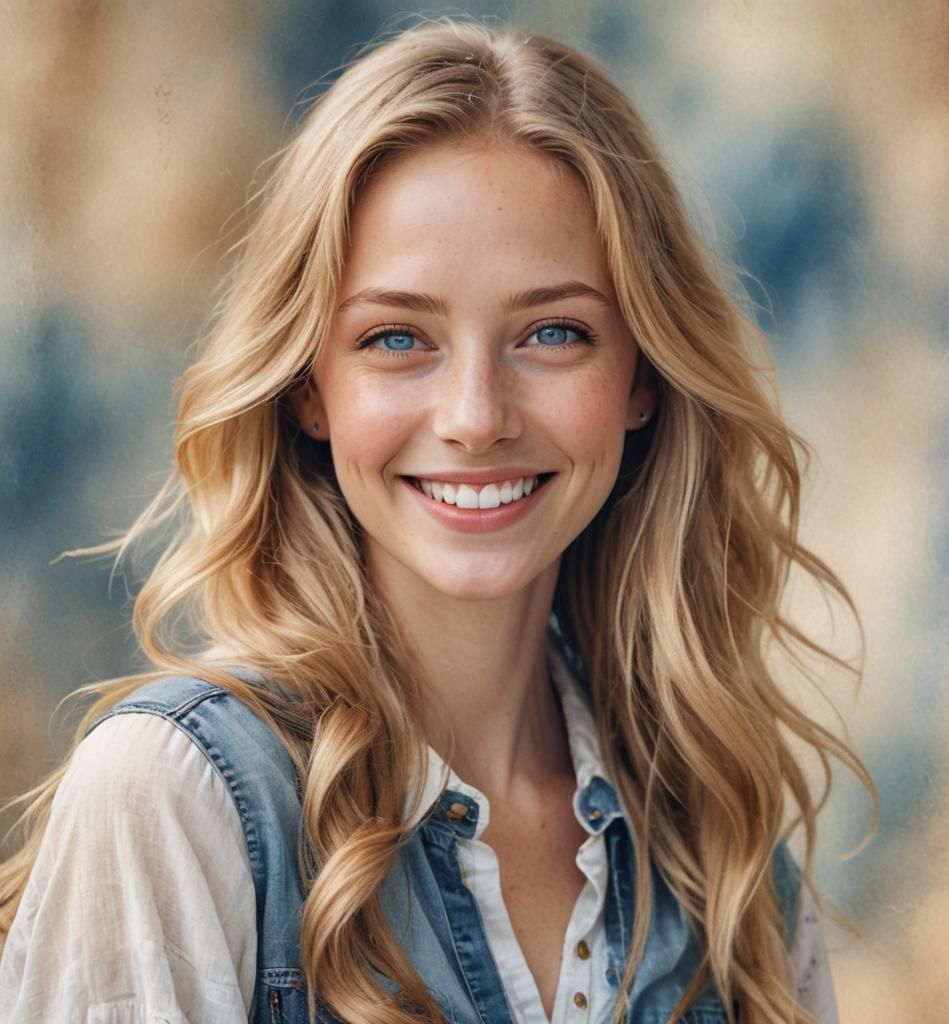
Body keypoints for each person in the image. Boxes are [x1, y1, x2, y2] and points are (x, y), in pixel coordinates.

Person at [0, 18, 873, 1024]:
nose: (474, 417)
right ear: (307, 390)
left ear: (642, 376)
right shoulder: (175, 797)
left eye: (553, 331)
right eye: (397, 336)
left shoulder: (720, 837)